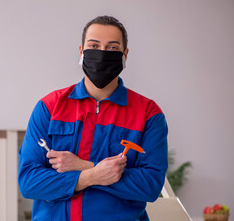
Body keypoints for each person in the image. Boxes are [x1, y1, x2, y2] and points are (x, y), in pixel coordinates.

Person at [18, 15, 168, 221]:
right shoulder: (50, 107)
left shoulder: (148, 113)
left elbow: (150, 185)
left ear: (125, 55)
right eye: (94, 45)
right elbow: (29, 182)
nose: (102, 53)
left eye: (112, 48)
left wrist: (83, 165)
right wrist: (93, 175)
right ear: (81, 51)